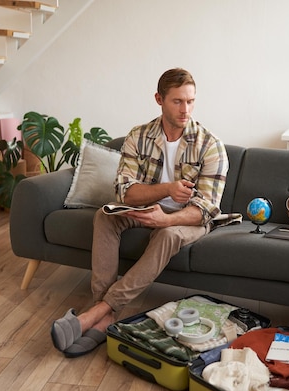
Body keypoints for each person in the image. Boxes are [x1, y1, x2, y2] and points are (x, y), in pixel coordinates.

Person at [51, 68, 229, 358]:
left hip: (187, 219)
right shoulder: (138, 136)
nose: (186, 110)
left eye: (191, 101)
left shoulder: (211, 147)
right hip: (145, 208)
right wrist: (167, 189)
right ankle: (104, 316)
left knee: (168, 234)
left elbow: (205, 210)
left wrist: (167, 218)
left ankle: (98, 312)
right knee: (104, 216)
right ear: (159, 99)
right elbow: (125, 192)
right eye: (177, 102)